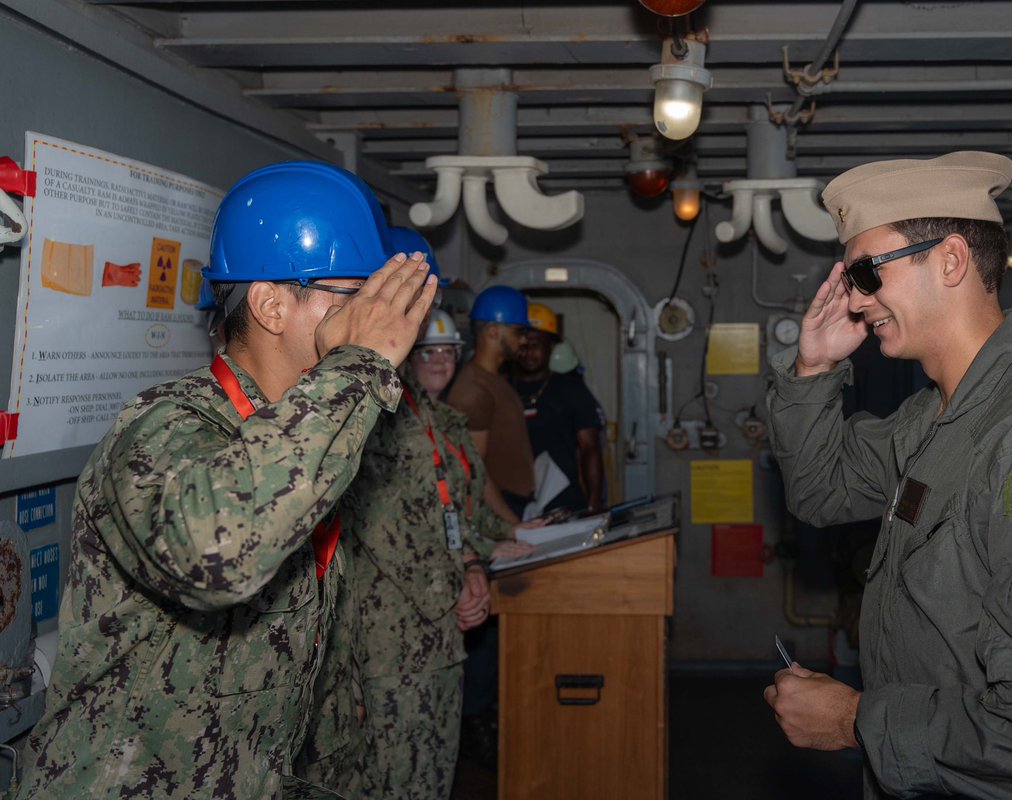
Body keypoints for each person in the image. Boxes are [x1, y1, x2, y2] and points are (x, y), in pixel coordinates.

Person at [18, 161, 437, 799]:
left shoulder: (307, 433)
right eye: (354, 295)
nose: (377, 320)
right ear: (271, 304)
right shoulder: (166, 428)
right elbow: (214, 554)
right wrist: (362, 364)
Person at [761, 151, 1012, 799]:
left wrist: (857, 721)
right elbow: (820, 489)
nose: (853, 299)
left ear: (950, 260)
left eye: (864, 272)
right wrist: (814, 371)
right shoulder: (937, 415)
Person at [445, 285, 536, 522]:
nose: (524, 340)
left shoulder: (494, 379)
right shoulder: (473, 389)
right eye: (518, 331)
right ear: (493, 331)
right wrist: (512, 524)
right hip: (501, 512)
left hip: (516, 504)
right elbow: (474, 471)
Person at [511, 302, 605, 515]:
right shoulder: (502, 388)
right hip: (511, 505)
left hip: (563, 502)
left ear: (551, 346)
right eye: (523, 345)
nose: (528, 352)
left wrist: (594, 503)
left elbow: (590, 449)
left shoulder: (571, 390)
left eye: (536, 344)